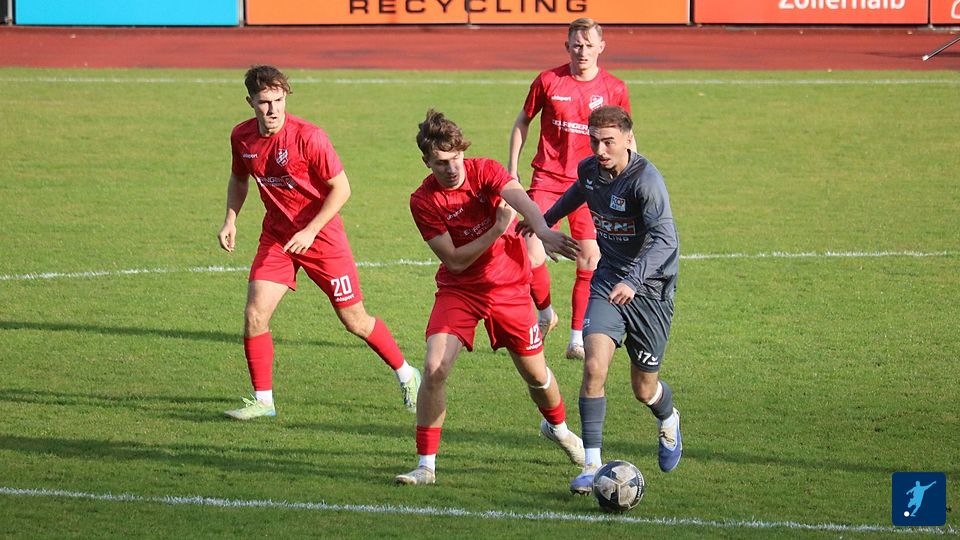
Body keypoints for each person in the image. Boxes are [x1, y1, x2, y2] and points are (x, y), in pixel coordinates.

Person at [217, 65, 420, 420]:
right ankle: (263, 400)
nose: (272, 109)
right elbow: (239, 178)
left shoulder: (309, 137)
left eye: (278, 100)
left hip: (322, 238)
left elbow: (342, 189)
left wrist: (310, 230)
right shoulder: (242, 137)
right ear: (250, 102)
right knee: (254, 314)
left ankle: (407, 374)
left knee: (355, 320)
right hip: (278, 237)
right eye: (264, 102)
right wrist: (231, 219)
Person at [394, 109, 584, 486]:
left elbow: (520, 200)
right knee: (434, 368)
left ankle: (559, 429)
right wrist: (498, 229)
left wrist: (543, 229)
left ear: (463, 152)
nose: (452, 168)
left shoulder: (485, 171)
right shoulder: (423, 201)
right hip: (460, 290)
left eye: (456, 158)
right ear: (427, 161)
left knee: (536, 376)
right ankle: (426, 466)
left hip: (508, 287)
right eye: (441, 162)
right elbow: (455, 260)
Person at [520, 105, 682, 493]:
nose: (600, 150)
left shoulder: (646, 181)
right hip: (608, 282)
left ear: (628, 139)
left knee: (644, 389)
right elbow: (580, 191)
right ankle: (592, 465)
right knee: (593, 366)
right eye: (594, 141)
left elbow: (666, 241)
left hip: (650, 290)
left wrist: (635, 280)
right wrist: (545, 221)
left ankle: (668, 418)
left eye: (609, 142)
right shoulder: (590, 170)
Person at [507, 18, 633, 362]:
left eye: (589, 45)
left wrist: (629, 178)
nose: (583, 51)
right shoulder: (548, 80)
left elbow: (625, 137)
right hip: (547, 179)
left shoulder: (615, 88)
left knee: (589, 257)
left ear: (601, 47)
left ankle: (577, 339)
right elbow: (522, 121)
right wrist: (513, 169)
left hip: (594, 183)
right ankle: (546, 312)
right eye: (577, 45)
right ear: (567, 47)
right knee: (532, 253)